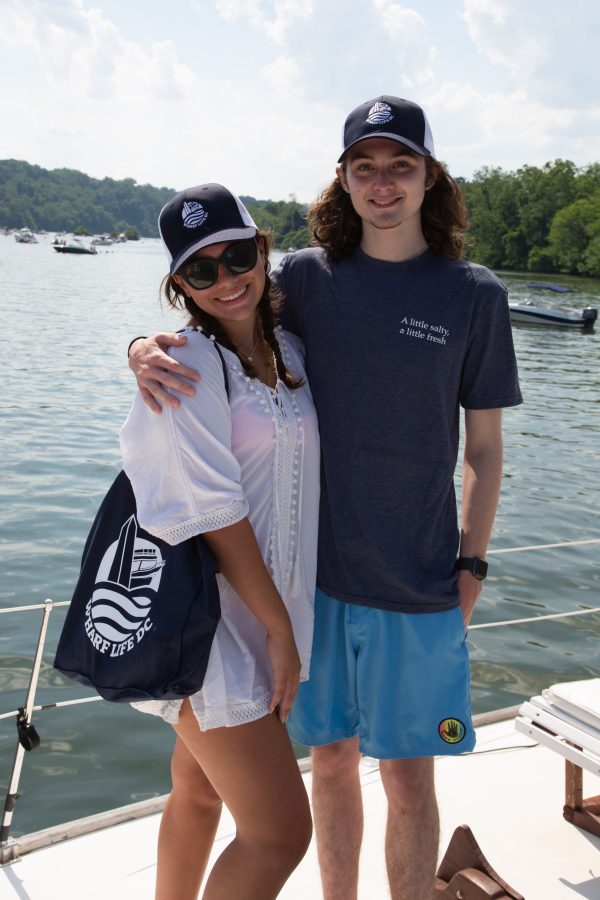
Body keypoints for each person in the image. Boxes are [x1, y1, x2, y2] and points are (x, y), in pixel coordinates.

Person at [128, 97, 522, 900]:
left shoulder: (475, 294)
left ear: (431, 177)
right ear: (342, 179)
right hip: (311, 588)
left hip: (419, 582)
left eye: (401, 166)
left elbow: (483, 448)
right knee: (331, 763)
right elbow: (219, 321)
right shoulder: (306, 278)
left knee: (409, 779)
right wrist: (139, 348)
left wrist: (472, 563)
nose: (383, 184)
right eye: (364, 168)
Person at [121, 182, 320, 899]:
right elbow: (214, 512)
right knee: (279, 835)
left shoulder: (291, 349)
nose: (225, 279)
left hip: (265, 614)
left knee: (199, 793)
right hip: (215, 628)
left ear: (262, 250)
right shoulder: (191, 364)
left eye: (236, 256)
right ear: (180, 284)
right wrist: (279, 631)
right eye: (200, 269)